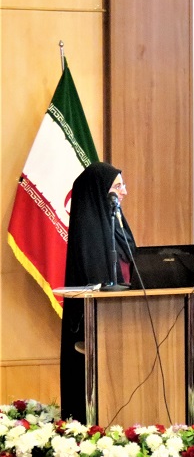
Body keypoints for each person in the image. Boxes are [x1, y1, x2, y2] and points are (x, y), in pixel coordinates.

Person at [61, 162, 137, 422]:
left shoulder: (116, 225)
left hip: (127, 317)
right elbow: (97, 280)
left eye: (123, 185)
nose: (124, 192)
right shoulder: (89, 231)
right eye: (118, 186)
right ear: (99, 191)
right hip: (99, 323)